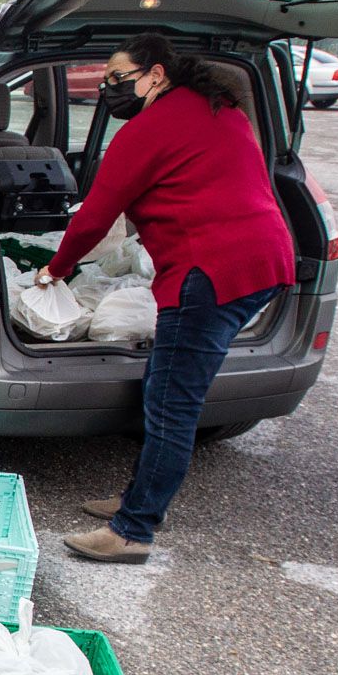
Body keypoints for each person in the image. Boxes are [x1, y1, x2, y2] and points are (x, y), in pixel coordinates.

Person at [37, 33, 294, 565]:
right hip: (266, 260)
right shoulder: (222, 110)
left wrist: (55, 269)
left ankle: (133, 528)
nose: (110, 88)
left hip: (209, 273)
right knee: (167, 383)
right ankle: (140, 498)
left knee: (171, 402)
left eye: (119, 77)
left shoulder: (148, 129)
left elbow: (94, 216)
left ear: (155, 74)